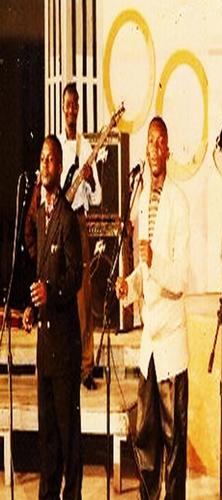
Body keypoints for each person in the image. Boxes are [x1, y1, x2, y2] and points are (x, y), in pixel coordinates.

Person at [115, 116, 190, 499]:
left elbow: (180, 278)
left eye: (161, 142)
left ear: (168, 151)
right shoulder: (141, 201)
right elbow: (144, 273)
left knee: (173, 448)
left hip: (172, 347)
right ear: (146, 152)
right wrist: (128, 287)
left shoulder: (179, 202)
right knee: (145, 445)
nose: (155, 149)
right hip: (150, 349)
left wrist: (153, 259)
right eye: (150, 143)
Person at [22, 135, 83, 499]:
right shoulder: (41, 219)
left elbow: (74, 277)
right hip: (44, 349)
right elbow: (41, 272)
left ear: (59, 167)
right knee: (47, 439)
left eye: (50, 159)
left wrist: (51, 293)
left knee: (68, 436)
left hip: (65, 346)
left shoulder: (67, 218)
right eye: (41, 158)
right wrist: (33, 307)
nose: (44, 164)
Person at [59, 82, 102, 390]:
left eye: (75, 104)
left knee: (83, 297)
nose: (71, 109)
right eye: (67, 105)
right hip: (60, 224)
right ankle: (66, 365)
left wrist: (89, 180)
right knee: (62, 295)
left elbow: (97, 196)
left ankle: (86, 368)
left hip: (79, 222)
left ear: (79, 109)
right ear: (62, 109)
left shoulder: (85, 148)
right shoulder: (56, 144)